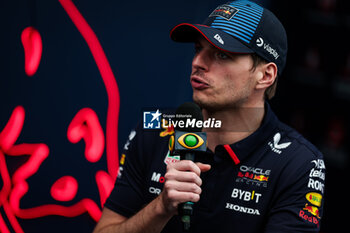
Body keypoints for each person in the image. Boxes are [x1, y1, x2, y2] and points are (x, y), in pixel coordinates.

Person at [94, 0, 325, 232]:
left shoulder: (298, 163)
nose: (197, 63)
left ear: (265, 75)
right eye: (198, 49)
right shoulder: (155, 128)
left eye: (222, 55)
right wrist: (161, 207)